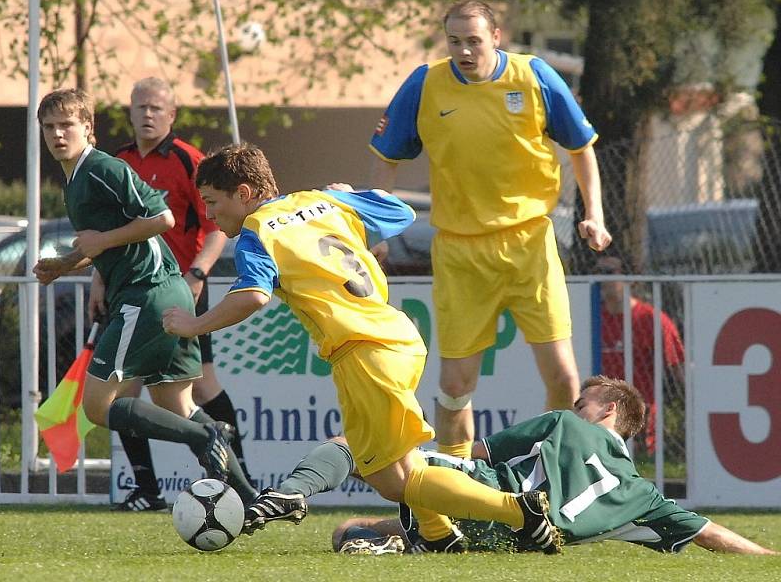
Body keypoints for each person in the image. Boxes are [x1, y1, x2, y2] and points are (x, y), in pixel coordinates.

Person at [162, 142, 562, 554]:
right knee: (392, 465)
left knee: (396, 479)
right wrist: (350, 195)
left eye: (211, 202)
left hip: (364, 350)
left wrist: (193, 324)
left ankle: (518, 512)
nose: (209, 214)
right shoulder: (323, 200)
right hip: (391, 338)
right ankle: (439, 535)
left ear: (244, 194)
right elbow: (401, 212)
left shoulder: (256, 232)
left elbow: (252, 296)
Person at [367, 0, 611, 462]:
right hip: (460, 252)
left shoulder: (534, 76)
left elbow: (582, 148)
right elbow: (386, 159)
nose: (463, 51)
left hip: (529, 244)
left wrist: (594, 214)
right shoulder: (425, 84)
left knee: (563, 377)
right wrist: (377, 229)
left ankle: (551, 473)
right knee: (456, 384)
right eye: (454, 41)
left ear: (496, 37)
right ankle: (456, 484)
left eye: (473, 41)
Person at [33, 88, 255, 508]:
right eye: (50, 127)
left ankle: (206, 436)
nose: (58, 133)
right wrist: (63, 264)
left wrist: (100, 241)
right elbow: (105, 246)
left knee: (99, 406)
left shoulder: (102, 168)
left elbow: (162, 218)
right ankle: (249, 498)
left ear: (88, 128)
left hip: (147, 294)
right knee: (178, 404)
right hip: (160, 293)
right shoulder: (77, 178)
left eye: (67, 124)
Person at [263, 377, 775, 556]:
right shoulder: (645, 497)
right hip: (513, 538)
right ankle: (404, 537)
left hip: (489, 494)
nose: (576, 409)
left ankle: (289, 494)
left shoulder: (563, 424)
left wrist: (418, 454)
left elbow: (475, 454)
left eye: (584, 403)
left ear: (609, 411)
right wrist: (768, 557)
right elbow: (712, 534)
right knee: (360, 529)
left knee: (351, 445)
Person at [108, 77, 254, 511]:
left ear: (171, 115)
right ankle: (146, 489)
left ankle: (238, 477)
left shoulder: (190, 160)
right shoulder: (119, 162)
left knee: (201, 387)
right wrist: (101, 279)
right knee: (124, 391)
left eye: (156, 108)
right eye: (140, 107)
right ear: (130, 113)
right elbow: (117, 231)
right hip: (132, 291)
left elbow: (214, 228)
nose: (148, 114)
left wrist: (196, 275)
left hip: (180, 288)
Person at [597, 255, 685, 454]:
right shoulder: (591, 317)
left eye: (609, 273)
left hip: (637, 417)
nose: (601, 279)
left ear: (630, 279)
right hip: (596, 413)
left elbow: (679, 369)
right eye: (597, 272)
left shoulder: (651, 320)